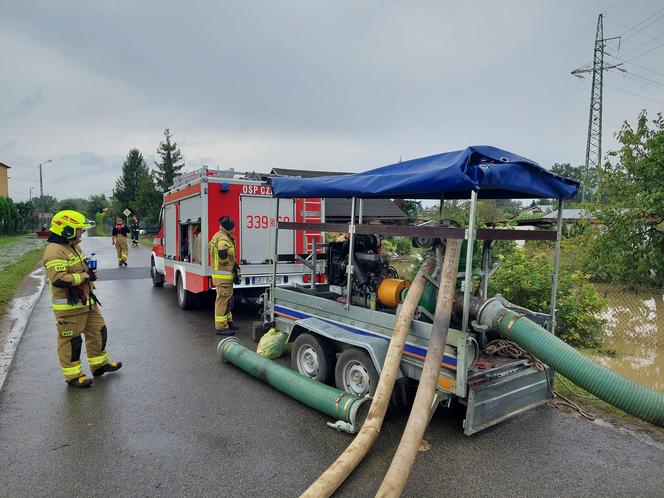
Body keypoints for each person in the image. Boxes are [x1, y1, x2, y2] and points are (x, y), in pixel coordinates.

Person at [43, 210, 122, 388]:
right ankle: (73, 376)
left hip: (87, 302)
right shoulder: (54, 251)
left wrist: (89, 273)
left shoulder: (72, 245)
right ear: (67, 229)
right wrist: (85, 277)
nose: (82, 233)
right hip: (69, 308)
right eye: (79, 229)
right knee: (72, 341)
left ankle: (99, 365)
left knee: (98, 331)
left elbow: (79, 268)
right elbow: (59, 279)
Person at [209, 216, 239, 335]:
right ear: (229, 228)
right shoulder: (223, 238)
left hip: (223, 276)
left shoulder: (219, 235)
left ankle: (228, 322)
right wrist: (228, 260)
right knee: (222, 301)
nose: (234, 229)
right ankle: (221, 328)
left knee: (227, 300)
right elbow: (222, 256)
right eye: (233, 228)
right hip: (223, 276)